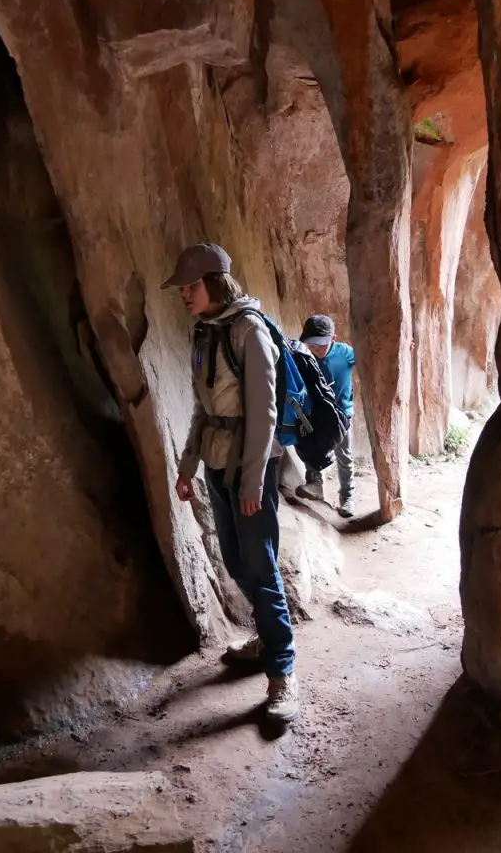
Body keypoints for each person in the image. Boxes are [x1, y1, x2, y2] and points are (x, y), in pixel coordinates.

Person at [163, 242, 299, 723]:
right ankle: (267, 635)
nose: (185, 294)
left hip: (250, 468)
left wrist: (251, 480)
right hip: (217, 466)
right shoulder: (206, 333)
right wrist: (186, 466)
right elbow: (203, 409)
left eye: (191, 285)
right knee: (237, 561)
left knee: (259, 566)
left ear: (216, 282)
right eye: (183, 287)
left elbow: (263, 413)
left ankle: (283, 673)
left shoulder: (248, 331)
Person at [296, 314, 356, 517]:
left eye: (320, 344)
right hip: (316, 415)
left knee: (344, 456)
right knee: (310, 447)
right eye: (311, 344)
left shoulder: (346, 353)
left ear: (333, 339)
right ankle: (315, 483)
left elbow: (369, 359)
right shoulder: (304, 354)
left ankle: (347, 498)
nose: (315, 349)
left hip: (342, 414)